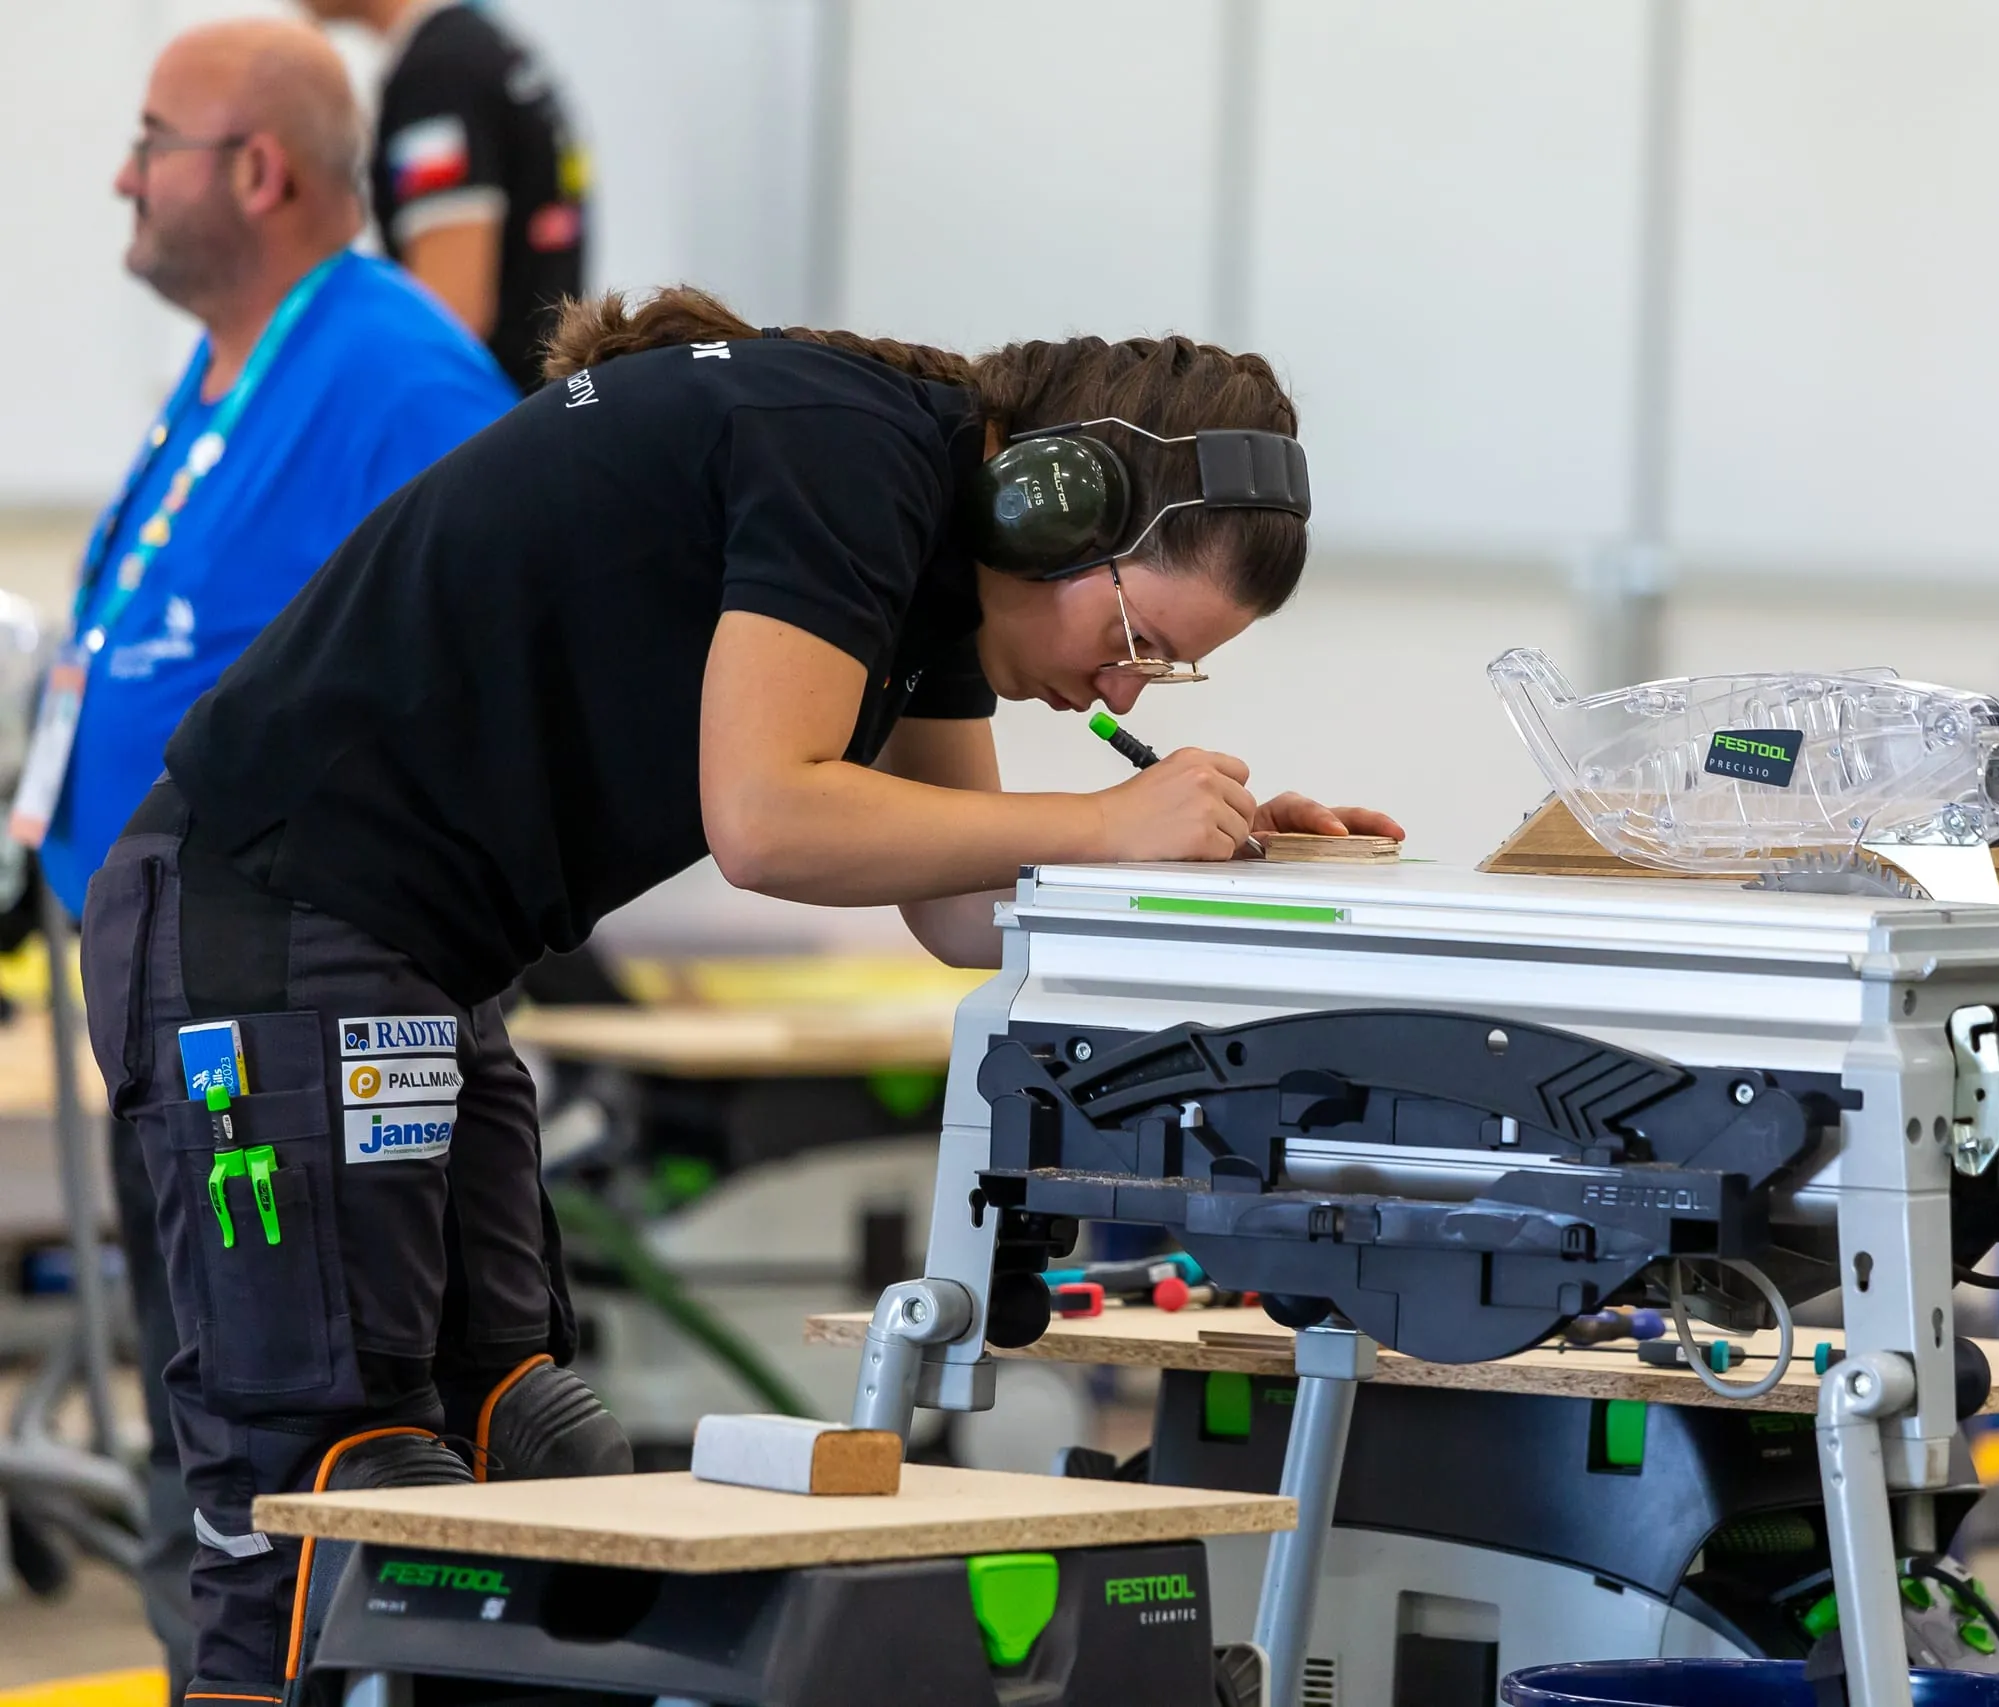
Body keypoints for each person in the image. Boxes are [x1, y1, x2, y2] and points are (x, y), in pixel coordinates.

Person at [80, 283, 1398, 1697]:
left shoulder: (933, 558)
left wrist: (1214, 878)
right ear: (1049, 503)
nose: (1122, 696)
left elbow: (959, 906)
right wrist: (1105, 823)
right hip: (265, 923)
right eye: (1137, 639)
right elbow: (766, 818)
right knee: (331, 1482)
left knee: (524, 1445)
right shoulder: (846, 453)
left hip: (410, 961)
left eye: (1166, 674)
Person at [13, 19, 514, 1693]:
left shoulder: (399, 377)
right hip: (189, 999)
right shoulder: (240, 366)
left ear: (257, 170)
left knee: (276, 1465)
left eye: (150, 141)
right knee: (208, 1451)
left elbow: (490, 675)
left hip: (295, 1014)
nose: (120, 176)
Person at [298, 0, 587, 391]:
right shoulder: (481, 45)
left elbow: (451, 313)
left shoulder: (437, 75)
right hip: (540, 398)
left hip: (496, 408)